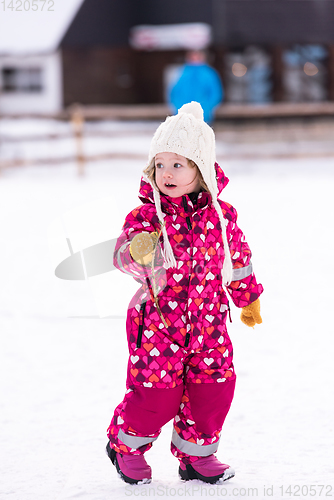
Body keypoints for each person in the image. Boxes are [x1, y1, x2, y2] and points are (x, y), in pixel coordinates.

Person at [106, 101, 263, 485]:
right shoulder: (145, 217)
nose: (167, 174)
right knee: (156, 394)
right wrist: (138, 251)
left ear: (201, 168)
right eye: (160, 164)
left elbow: (237, 258)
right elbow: (122, 259)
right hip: (159, 326)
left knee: (213, 390)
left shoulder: (222, 218)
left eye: (178, 164)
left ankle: (196, 457)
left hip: (210, 323)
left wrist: (247, 296)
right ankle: (125, 446)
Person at [169, 50, 223, 123]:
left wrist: (208, 108)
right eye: (193, 56)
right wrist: (178, 108)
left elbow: (216, 94)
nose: (195, 59)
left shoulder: (209, 74)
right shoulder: (181, 73)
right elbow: (173, 93)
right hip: (182, 116)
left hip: (204, 116)